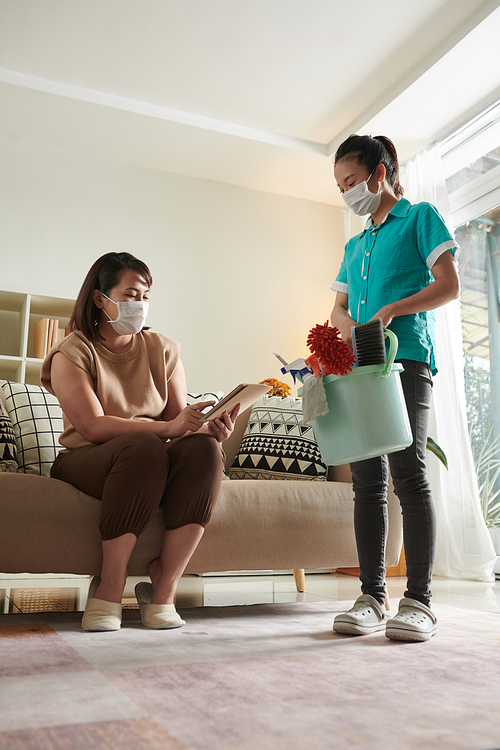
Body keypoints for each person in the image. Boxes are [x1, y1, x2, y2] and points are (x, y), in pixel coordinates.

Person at [41, 252, 239, 632]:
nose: (141, 305)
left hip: (151, 457)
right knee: (143, 445)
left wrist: (209, 429)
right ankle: (110, 588)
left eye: (146, 296)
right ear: (100, 298)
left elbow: (178, 424)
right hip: (89, 458)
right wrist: (167, 431)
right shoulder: (72, 352)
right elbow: (93, 426)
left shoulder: (163, 349)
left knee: (203, 449)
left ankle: (163, 587)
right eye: (131, 294)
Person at [330, 135, 460, 642]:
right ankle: (372, 596)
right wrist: (342, 326)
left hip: (404, 359)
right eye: (340, 186)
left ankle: (420, 601)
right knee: (367, 481)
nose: (347, 192)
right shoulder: (355, 244)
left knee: (408, 474)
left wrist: (393, 309)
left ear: (379, 174)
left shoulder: (419, 217)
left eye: (351, 181)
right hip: (361, 365)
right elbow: (337, 308)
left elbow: (449, 285)